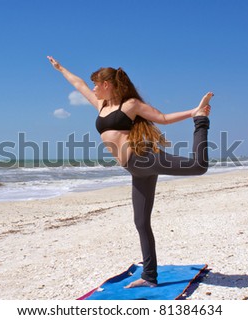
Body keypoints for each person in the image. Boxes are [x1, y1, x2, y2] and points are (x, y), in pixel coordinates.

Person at [47, 56, 213, 288]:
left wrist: (195, 112)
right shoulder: (101, 105)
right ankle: (149, 276)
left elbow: (162, 118)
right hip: (135, 169)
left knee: (198, 166)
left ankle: (201, 122)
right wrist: (60, 68)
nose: (93, 87)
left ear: (107, 84)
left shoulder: (131, 105)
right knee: (141, 222)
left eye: (97, 83)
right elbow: (78, 85)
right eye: (93, 84)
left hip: (143, 159)